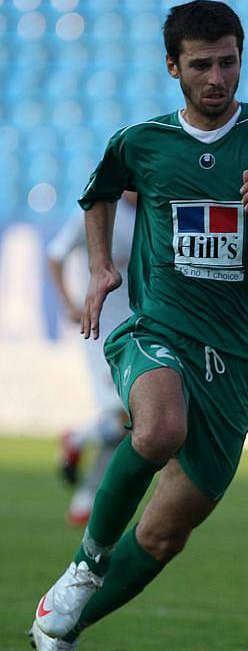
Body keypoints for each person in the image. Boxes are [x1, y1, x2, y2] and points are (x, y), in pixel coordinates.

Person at [31, 0, 248, 651]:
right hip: (155, 327)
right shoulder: (144, 141)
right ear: (173, 67)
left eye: (228, 60)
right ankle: (84, 564)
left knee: (167, 533)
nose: (216, 76)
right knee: (159, 427)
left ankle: (64, 625)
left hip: (236, 357)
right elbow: (99, 190)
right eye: (200, 64)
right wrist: (102, 266)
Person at [48, 193, 136, 527]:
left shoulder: (152, 211)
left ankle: (84, 478)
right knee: (123, 414)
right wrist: (69, 304)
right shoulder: (98, 213)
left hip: (137, 328)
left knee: (130, 423)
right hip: (98, 329)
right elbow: (55, 254)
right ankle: (86, 489)